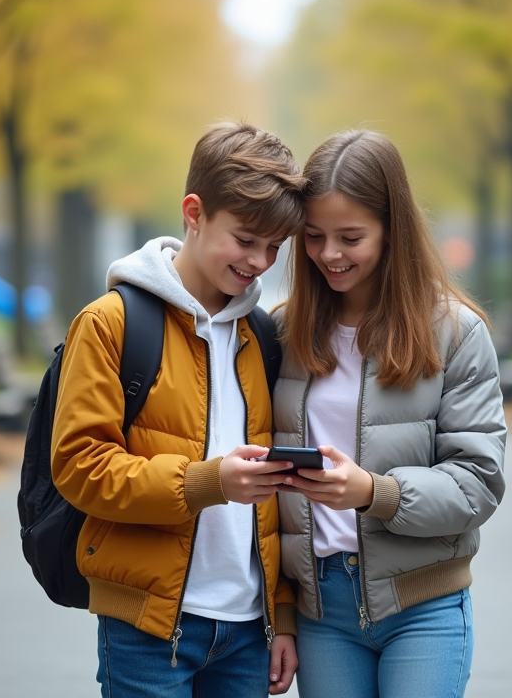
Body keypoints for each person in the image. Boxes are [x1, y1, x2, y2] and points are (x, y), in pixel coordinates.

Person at [51, 122, 306, 697]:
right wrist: (206, 482)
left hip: (248, 631)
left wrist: (281, 614)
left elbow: (279, 505)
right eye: (245, 239)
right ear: (194, 213)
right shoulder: (110, 323)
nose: (261, 260)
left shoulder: (261, 336)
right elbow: (78, 466)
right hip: (148, 628)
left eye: (274, 247)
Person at [272, 130, 506, 698]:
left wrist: (376, 492)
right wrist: (280, 616)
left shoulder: (455, 332)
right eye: (315, 237)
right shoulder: (281, 332)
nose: (330, 254)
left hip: (422, 605)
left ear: (391, 229)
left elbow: (479, 483)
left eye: (351, 237)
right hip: (322, 610)